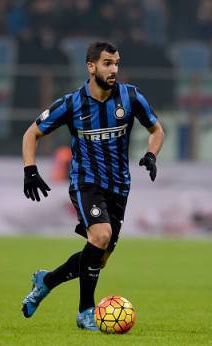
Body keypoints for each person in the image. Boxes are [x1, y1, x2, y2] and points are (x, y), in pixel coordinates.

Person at [21, 41, 165, 330]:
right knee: (100, 236)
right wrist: (30, 169)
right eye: (107, 63)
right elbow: (31, 133)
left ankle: (46, 281)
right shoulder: (72, 103)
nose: (114, 70)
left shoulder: (132, 97)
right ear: (91, 67)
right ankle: (85, 311)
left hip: (119, 187)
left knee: (99, 258)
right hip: (86, 182)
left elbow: (157, 130)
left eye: (116, 63)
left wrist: (151, 153)